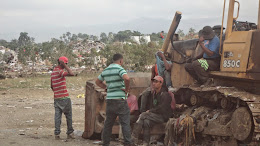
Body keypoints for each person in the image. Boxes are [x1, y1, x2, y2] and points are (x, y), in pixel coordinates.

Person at [95, 53, 132, 146]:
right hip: (120, 99)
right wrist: (127, 90)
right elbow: (127, 78)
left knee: (108, 123)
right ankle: (128, 143)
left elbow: (97, 81)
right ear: (120, 61)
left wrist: (106, 87)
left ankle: (105, 142)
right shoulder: (120, 69)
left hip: (110, 99)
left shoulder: (106, 70)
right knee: (125, 123)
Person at [132, 76, 173, 146]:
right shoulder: (153, 94)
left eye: (156, 82)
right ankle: (146, 142)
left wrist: (150, 111)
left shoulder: (165, 94)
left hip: (163, 117)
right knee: (146, 122)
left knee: (143, 115)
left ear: (161, 83)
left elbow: (162, 108)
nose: (154, 83)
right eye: (153, 81)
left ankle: (134, 138)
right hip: (155, 116)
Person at [51, 56, 75, 140]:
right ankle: (70, 133)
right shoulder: (60, 71)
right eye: (66, 63)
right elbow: (72, 73)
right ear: (62, 63)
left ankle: (57, 134)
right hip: (64, 97)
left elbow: (51, 86)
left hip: (56, 97)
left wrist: (56, 92)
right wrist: (64, 66)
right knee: (68, 116)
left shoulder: (54, 71)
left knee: (57, 116)